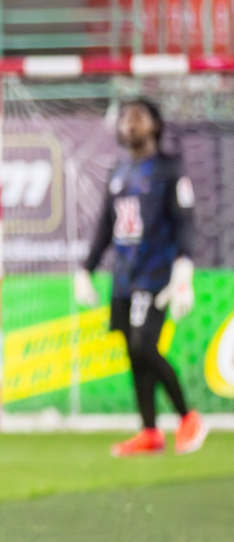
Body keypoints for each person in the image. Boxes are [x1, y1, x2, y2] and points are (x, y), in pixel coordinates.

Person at [74, 97, 204, 457]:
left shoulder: (168, 169)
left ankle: (188, 417)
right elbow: (105, 225)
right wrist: (86, 268)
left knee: (144, 346)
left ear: (155, 126)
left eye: (139, 116)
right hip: (124, 276)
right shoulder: (118, 172)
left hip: (156, 272)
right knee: (133, 352)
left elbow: (185, 222)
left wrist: (184, 270)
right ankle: (149, 431)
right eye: (125, 117)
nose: (130, 122)